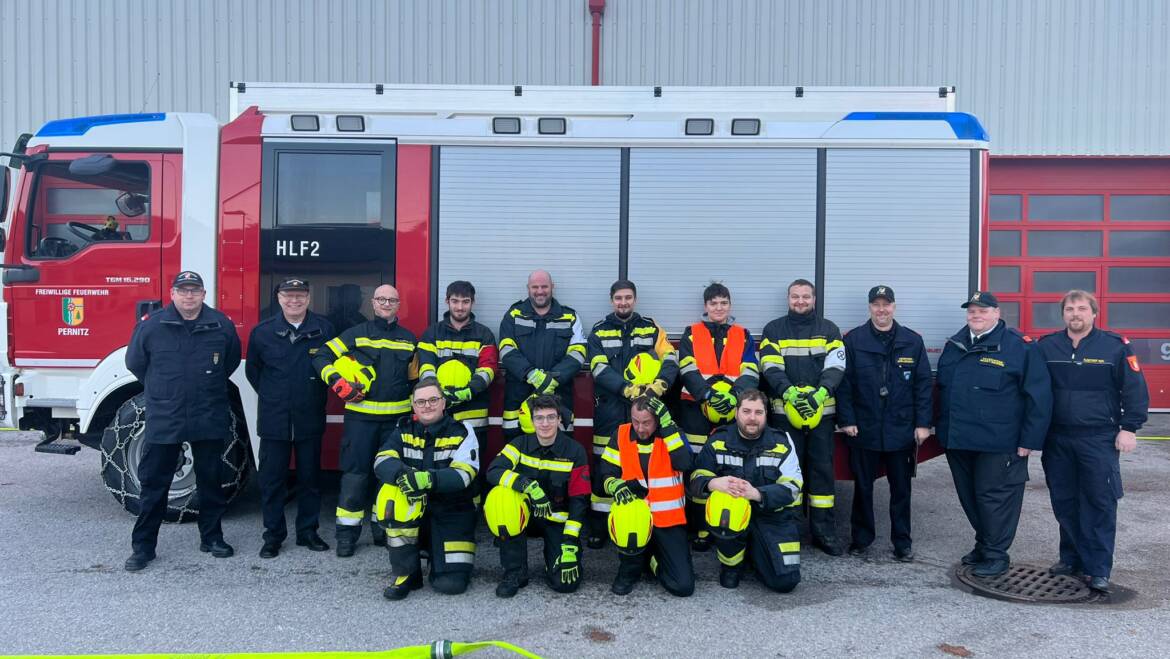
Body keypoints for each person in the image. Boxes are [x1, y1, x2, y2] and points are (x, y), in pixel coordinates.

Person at [123, 271, 242, 571]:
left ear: (204, 294)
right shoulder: (152, 327)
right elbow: (136, 363)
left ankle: (212, 538)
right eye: (183, 291)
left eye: (195, 291)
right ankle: (144, 547)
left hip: (208, 413)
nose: (189, 296)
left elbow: (228, 362)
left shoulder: (221, 325)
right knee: (153, 484)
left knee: (211, 481)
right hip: (166, 415)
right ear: (172, 294)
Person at [1037, 290, 1149, 593]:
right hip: (1057, 437)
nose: (1076, 314)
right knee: (1064, 499)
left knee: (1099, 502)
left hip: (1098, 438)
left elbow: (1135, 390)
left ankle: (1098, 567)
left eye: (1082, 309)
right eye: (1070, 309)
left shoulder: (1115, 347)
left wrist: (1130, 428)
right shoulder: (1047, 346)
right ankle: (1071, 558)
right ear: (1063, 315)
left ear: (1094, 313)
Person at [936, 291, 1052, 578]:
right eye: (972, 311)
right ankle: (984, 544)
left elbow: (1039, 397)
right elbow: (942, 390)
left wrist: (1030, 440)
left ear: (997, 314)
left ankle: (996, 554)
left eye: (983, 311)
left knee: (995, 498)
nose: (976, 315)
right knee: (969, 496)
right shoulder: (955, 344)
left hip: (1000, 442)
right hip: (959, 439)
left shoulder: (1020, 347)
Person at [314, 284, 418, 557]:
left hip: (396, 422)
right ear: (373, 303)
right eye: (381, 299)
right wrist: (335, 381)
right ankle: (347, 535)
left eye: (391, 300)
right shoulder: (356, 334)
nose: (386, 304)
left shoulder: (409, 339)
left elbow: (415, 380)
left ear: (398, 305)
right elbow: (322, 355)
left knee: (389, 477)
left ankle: (381, 528)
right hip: (361, 421)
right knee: (355, 478)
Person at [835, 286, 933, 561]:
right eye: (876, 304)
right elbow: (844, 384)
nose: (881, 310)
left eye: (886, 304)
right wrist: (847, 419)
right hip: (863, 428)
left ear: (894, 307)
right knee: (863, 488)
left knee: (901, 490)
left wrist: (923, 423)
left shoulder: (912, 341)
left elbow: (923, 384)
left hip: (901, 429)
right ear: (869, 307)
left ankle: (902, 542)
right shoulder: (853, 340)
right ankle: (861, 539)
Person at [585, 280, 679, 548]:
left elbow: (670, 357)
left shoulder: (651, 328)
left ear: (634, 300)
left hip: (646, 408)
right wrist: (626, 389)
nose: (623, 302)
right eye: (618, 298)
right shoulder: (599, 331)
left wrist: (661, 385)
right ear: (611, 300)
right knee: (606, 464)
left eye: (628, 297)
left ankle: (642, 517)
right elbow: (598, 367)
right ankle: (601, 525)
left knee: (644, 463)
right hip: (610, 409)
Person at [245, 278, 335, 558]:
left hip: (309, 417)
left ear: (309, 299)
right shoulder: (262, 332)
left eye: (300, 296)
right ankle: (273, 536)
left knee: (310, 480)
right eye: (288, 295)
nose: (294, 301)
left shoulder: (324, 329)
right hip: (274, 419)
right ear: (279, 298)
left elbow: (333, 368)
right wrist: (276, 397)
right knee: (272, 481)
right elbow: (254, 372)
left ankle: (308, 532)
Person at [760, 279, 847, 556]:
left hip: (822, 416)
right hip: (785, 416)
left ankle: (824, 533)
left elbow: (837, 364)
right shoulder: (774, 330)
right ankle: (791, 530)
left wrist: (821, 393)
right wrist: (787, 393)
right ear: (788, 299)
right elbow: (770, 367)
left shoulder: (828, 329)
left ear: (814, 299)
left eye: (805, 297)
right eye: (795, 296)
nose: (800, 301)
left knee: (822, 472)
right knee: (788, 472)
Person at [373, 379, 480, 600]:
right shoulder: (402, 429)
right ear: (413, 405)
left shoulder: (462, 431)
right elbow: (382, 460)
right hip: (414, 505)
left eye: (433, 400)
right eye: (421, 401)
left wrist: (427, 479)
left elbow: (464, 475)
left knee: (451, 584)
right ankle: (406, 573)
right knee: (389, 494)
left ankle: (437, 557)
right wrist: (404, 476)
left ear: (443, 403)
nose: (427, 406)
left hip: (451, 510)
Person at [689, 389, 804, 592]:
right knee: (725, 506)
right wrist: (713, 484)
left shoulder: (782, 442)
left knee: (785, 583)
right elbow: (696, 478)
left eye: (758, 412)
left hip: (770, 517)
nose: (752, 418)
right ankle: (731, 565)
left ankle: (755, 554)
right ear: (736, 413)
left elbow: (793, 488)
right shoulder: (718, 440)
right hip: (733, 515)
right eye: (747, 411)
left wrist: (757, 494)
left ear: (766, 414)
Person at [677, 282, 759, 550]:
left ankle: (726, 522)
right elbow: (687, 369)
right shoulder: (692, 333)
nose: (719, 308)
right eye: (713, 303)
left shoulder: (743, 334)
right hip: (696, 410)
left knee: (728, 463)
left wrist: (734, 396)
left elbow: (750, 370)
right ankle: (699, 528)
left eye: (723, 303)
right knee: (697, 464)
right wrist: (708, 395)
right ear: (705, 307)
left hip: (731, 410)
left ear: (730, 305)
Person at [485, 395, 591, 598]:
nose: (545, 423)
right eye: (539, 418)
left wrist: (570, 542)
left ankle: (553, 563)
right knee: (501, 497)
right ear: (532, 421)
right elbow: (494, 471)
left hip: (557, 521)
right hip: (525, 517)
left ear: (559, 419)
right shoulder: (519, 444)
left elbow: (579, 500)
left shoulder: (574, 451)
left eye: (551, 417)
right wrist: (527, 485)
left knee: (565, 584)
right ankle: (515, 571)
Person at [596, 396, 694, 596]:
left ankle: (649, 560)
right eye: (636, 421)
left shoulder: (673, 434)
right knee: (622, 585)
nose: (640, 428)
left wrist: (668, 429)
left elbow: (684, 464)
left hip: (668, 520)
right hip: (634, 517)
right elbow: (605, 473)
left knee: (683, 587)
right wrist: (614, 485)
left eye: (646, 422)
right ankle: (629, 571)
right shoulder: (621, 434)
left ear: (658, 420)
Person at [417, 280, 498, 492]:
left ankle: (472, 508)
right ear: (447, 301)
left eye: (465, 301)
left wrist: (468, 390)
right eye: (455, 301)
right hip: (440, 414)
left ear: (473, 303)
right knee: (439, 462)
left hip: (474, 415)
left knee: (473, 465)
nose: (460, 307)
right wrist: (440, 395)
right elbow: (426, 369)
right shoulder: (431, 334)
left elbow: (488, 369)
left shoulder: (484, 334)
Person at [498, 270, 586, 438]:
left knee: (558, 454)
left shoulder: (569, 317)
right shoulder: (514, 315)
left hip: (558, 397)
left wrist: (553, 379)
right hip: (518, 397)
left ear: (552, 287)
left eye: (544, 286)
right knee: (517, 451)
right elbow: (506, 350)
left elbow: (578, 353)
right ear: (528, 288)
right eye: (535, 287)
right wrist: (531, 374)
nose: (540, 291)